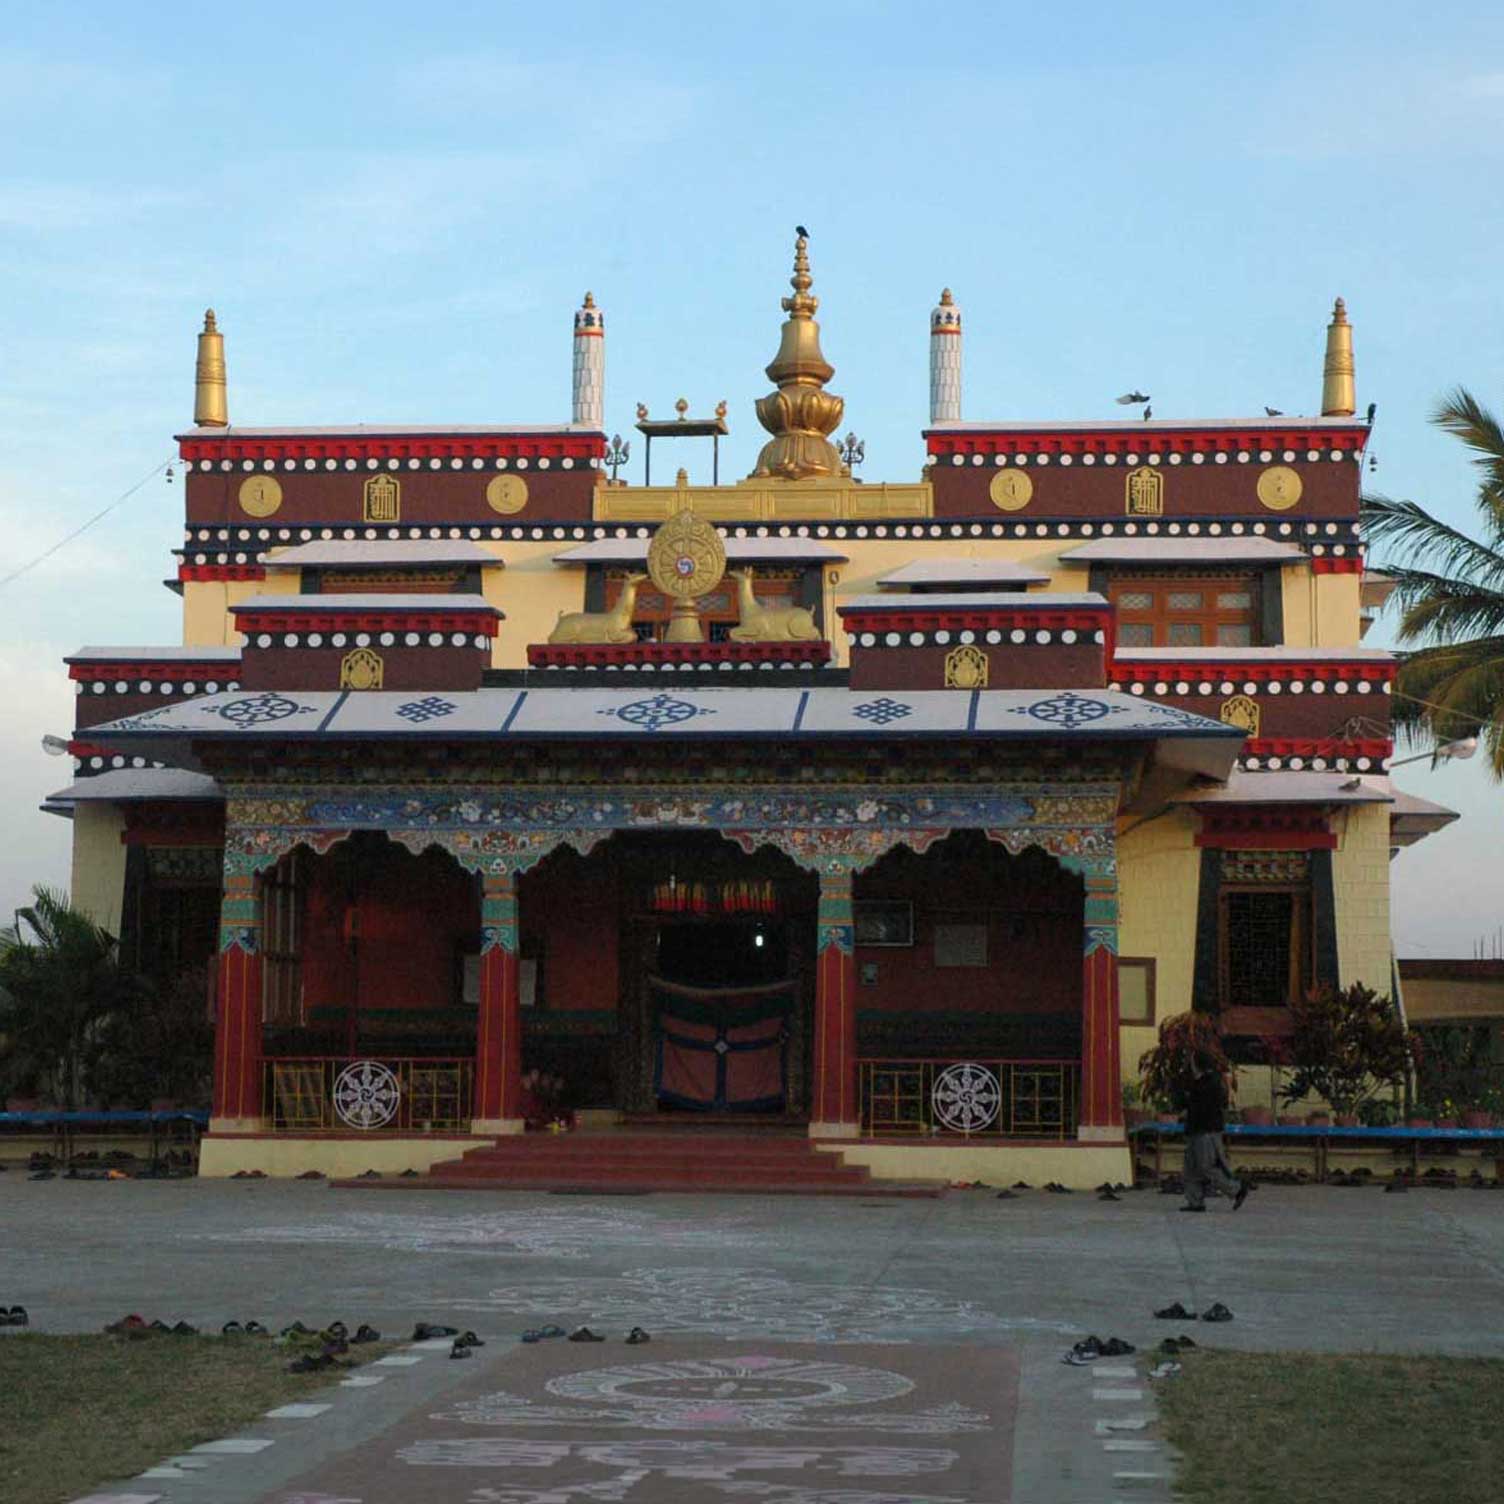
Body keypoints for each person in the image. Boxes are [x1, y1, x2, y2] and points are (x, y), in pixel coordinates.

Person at [1179, 1051, 1252, 1212]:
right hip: (1195, 1130)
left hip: (1207, 1131)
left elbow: (1203, 1106)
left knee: (1208, 1166)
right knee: (1190, 1168)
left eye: (1192, 1063)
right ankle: (1195, 1201)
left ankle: (1236, 1189)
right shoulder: (1200, 1082)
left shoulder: (1211, 1083)